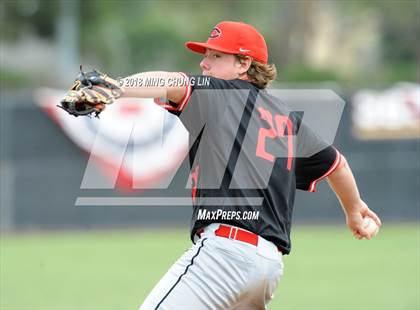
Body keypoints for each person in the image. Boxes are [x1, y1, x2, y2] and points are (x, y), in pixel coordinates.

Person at [117, 21, 382, 309]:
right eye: (205, 55)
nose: (204, 64)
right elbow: (337, 163)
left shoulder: (221, 94)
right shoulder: (286, 118)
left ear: (244, 63)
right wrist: (354, 210)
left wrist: (114, 87)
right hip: (267, 266)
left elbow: (172, 81)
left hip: (224, 254)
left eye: (216, 56)